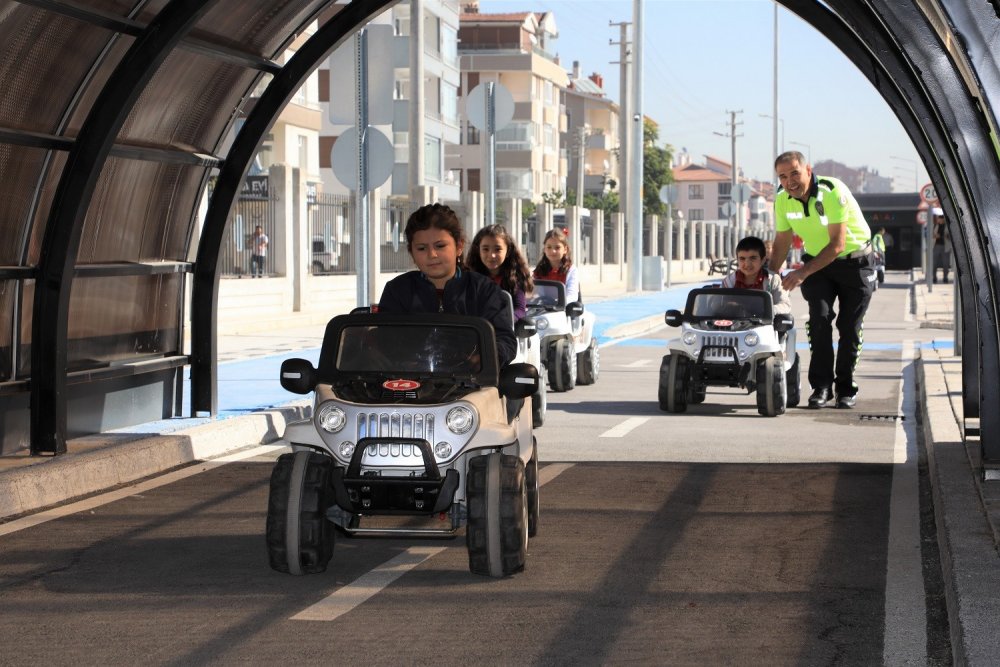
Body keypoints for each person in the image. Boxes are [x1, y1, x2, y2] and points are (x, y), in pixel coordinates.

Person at [769, 151, 876, 410]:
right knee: (819, 319)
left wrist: (801, 273)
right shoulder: (782, 200)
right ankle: (821, 387)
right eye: (783, 176)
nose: (789, 181)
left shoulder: (831, 191)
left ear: (808, 170)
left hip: (855, 263)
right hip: (818, 265)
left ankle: (845, 388)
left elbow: (837, 245)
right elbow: (782, 242)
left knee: (849, 326)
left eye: (794, 173)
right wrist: (769, 276)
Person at [378, 203, 517, 367]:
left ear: (459, 247)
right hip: (408, 385)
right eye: (422, 248)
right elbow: (385, 344)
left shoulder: (484, 290)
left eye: (440, 246)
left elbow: (505, 341)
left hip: (473, 386)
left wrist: (480, 360)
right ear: (412, 253)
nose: (432, 255)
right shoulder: (397, 290)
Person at [466, 224, 534, 320]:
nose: (492, 255)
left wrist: (506, 321)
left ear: (508, 251)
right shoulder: (468, 277)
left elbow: (520, 310)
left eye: (497, 249)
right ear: (478, 250)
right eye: (485, 249)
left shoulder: (515, 278)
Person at [720, 236, 791, 316]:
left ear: (763, 260)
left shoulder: (772, 280)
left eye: (753, 258)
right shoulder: (729, 282)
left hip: (764, 326)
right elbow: (718, 306)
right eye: (742, 259)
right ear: (737, 260)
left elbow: (785, 305)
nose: (747, 264)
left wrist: (766, 310)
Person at [533, 228, 579, 303]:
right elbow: (537, 294)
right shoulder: (539, 271)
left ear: (565, 249)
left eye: (557, 247)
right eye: (549, 247)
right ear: (544, 249)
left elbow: (572, 295)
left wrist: (556, 304)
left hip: (564, 311)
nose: (553, 251)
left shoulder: (571, 270)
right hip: (543, 310)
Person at [931, 208, 951, 283]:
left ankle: (945, 277)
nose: (939, 220)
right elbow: (930, 235)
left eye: (940, 219)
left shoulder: (947, 227)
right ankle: (934, 277)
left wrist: (943, 236)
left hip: (945, 247)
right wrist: (934, 236)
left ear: (943, 219)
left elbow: (950, 236)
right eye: (939, 219)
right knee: (934, 263)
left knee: (946, 264)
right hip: (936, 246)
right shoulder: (935, 226)